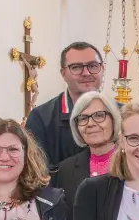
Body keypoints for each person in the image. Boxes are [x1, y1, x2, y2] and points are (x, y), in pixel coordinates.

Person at [26, 41, 106, 169]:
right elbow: (37, 172)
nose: (86, 73)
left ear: (102, 69)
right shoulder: (40, 118)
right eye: (76, 67)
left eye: (93, 65)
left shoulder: (122, 113)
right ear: (63, 73)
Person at [53, 89, 122, 208]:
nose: (90, 123)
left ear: (113, 120)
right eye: (83, 118)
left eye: (99, 115)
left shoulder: (131, 163)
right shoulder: (65, 170)